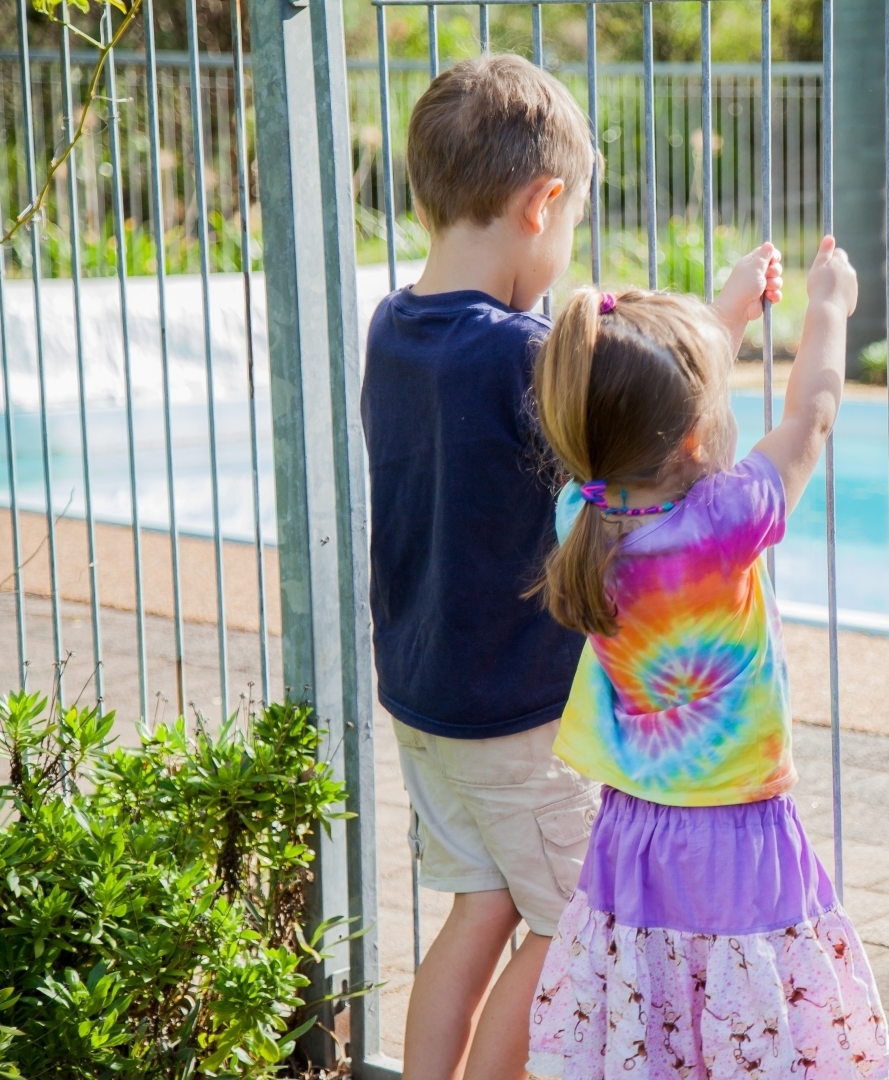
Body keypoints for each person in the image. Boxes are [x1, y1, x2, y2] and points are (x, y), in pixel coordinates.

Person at [526, 235, 889, 1079]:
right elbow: (811, 418)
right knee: (747, 1020)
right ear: (695, 434)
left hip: (636, 835)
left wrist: (724, 316)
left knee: (665, 1019)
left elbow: (633, 423)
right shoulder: (726, 521)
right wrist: (829, 305)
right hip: (737, 834)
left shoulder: (577, 518)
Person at [360, 54, 599, 1080]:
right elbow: (638, 426)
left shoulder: (394, 328)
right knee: (567, 924)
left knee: (481, 906)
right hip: (518, 716)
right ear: (543, 201)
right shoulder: (519, 355)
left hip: (426, 703)